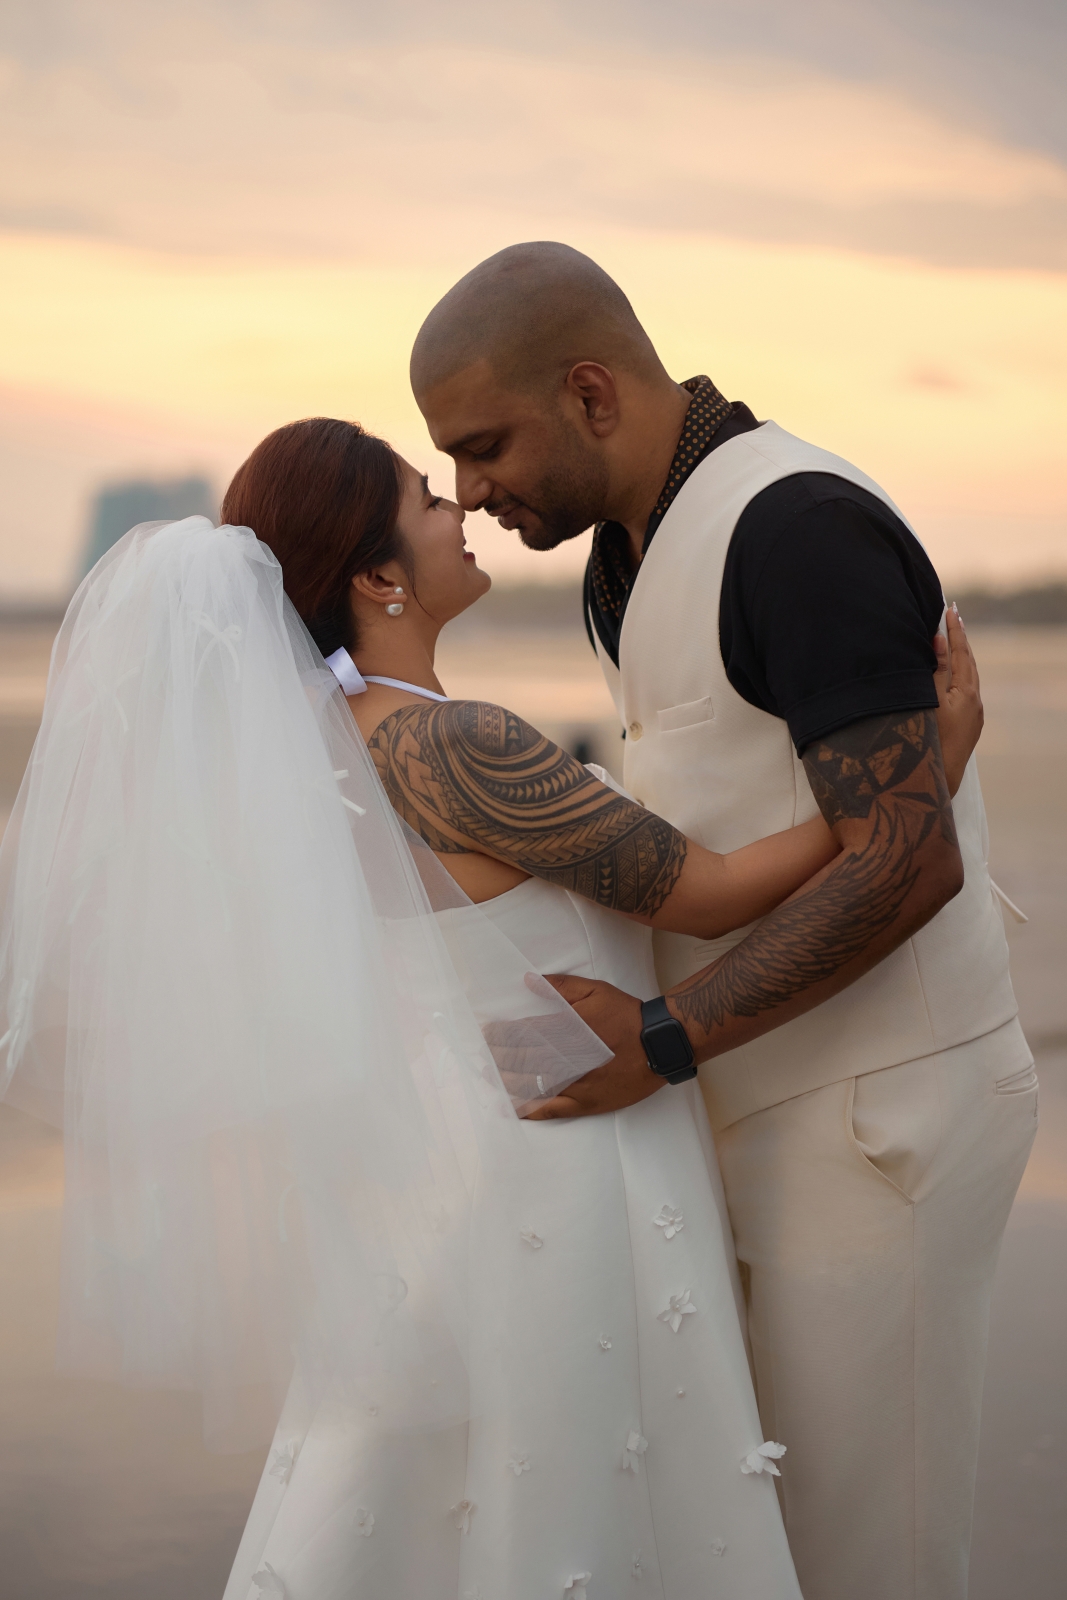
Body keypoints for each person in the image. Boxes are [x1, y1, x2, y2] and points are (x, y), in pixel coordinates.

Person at [216, 418, 980, 1599]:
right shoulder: (454, 742)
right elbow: (709, 895)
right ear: (375, 577)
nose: (458, 508)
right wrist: (928, 770)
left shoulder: (316, 752)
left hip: (440, 1163)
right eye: (426, 498)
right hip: (563, 1152)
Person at [409, 242, 1037, 1600]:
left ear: (588, 393)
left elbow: (905, 861)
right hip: (754, 1098)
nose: (466, 492)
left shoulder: (796, 530)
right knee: (766, 1543)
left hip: (880, 1116)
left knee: (869, 1557)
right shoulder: (621, 558)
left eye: (482, 446)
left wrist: (658, 1038)